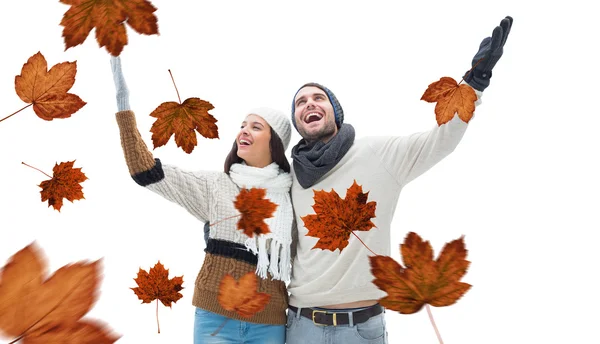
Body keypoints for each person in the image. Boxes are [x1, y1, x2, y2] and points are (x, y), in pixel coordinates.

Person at [285, 16, 513, 344]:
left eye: (318, 98)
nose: (309, 103)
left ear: (334, 110)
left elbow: (441, 140)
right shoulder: (291, 178)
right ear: (297, 120)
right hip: (302, 326)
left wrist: (474, 83)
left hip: (362, 328)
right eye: (300, 102)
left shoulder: (378, 154)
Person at [109, 56, 294, 344]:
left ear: (275, 143)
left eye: (256, 127)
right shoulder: (215, 186)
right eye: (243, 124)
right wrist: (123, 103)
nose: (244, 130)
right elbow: (145, 171)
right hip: (214, 319)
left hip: (269, 323)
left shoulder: (292, 196)